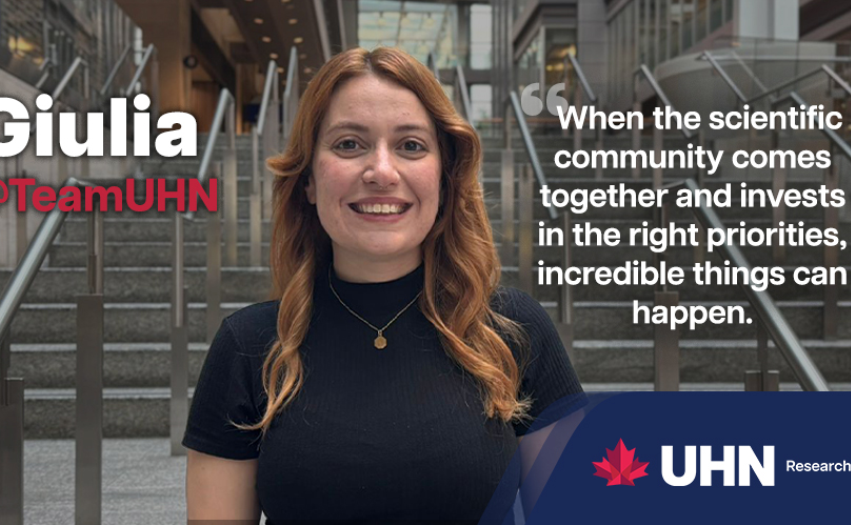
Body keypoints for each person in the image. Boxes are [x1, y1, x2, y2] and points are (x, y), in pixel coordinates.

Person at [182, 46, 585, 524]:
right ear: (308, 179)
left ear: (445, 177)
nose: (381, 172)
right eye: (349, 144)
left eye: (410, 145)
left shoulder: (513, 330)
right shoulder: (248, 347)